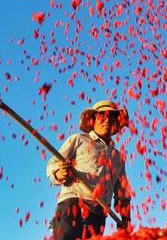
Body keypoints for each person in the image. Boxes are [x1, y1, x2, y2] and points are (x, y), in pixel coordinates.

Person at [47, 100, 132, 239]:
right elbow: (53, 164)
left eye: (111, 117)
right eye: (102, 116)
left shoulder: (118, 157)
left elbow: (122, 191)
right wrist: (60, 173)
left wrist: (126, 218)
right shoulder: (78, 140)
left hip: (98, 214)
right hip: (72, 206)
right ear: (92, 120)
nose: (107, 120)